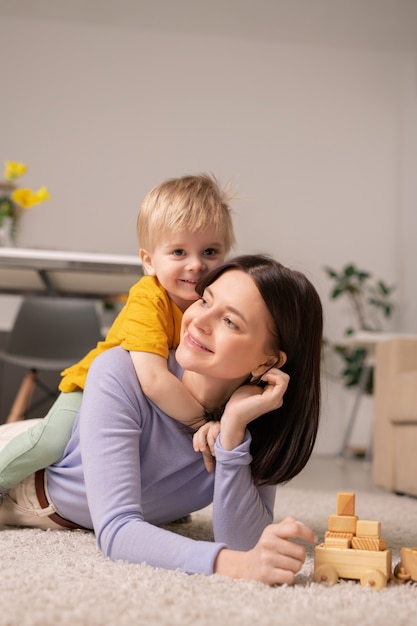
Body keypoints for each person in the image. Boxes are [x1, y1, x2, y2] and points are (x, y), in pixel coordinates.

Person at [0, 254, 322, 586]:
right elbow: (117, 531)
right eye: (204, 300)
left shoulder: (255, 416)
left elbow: (245, 544)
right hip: (26, 479)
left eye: (229, 321)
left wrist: (233, 432)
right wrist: (230, 565)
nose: (198, 320)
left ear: (268, 361)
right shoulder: (120, 373)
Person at [0, 173, 236, 497]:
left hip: (148, 404)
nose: (196, 265)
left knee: (160, 453)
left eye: (210, 251)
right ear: (149, 261)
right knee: (50, 442)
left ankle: (164, 503)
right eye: (179, 252)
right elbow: (153, 380)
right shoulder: (147, 299)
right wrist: (202, 421)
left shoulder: (217, 303)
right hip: (92, 389)